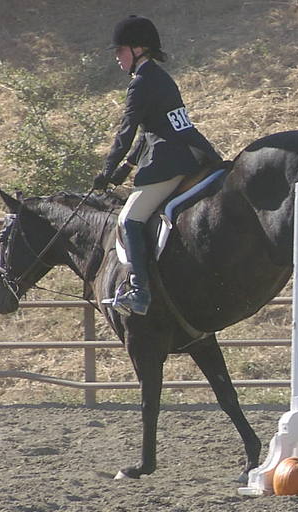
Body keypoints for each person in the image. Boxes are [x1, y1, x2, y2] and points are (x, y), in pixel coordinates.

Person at [94, 15, 222, 316]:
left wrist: (106, 170)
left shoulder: (141, 83)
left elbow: (126, 131)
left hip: (169, 161)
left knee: (129, 220)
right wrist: (127, 166)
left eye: (120, 50)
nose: (117, 56)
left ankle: (139, 292)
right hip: (191, 153)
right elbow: (153, 128)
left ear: (139, 49)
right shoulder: (160, 77)